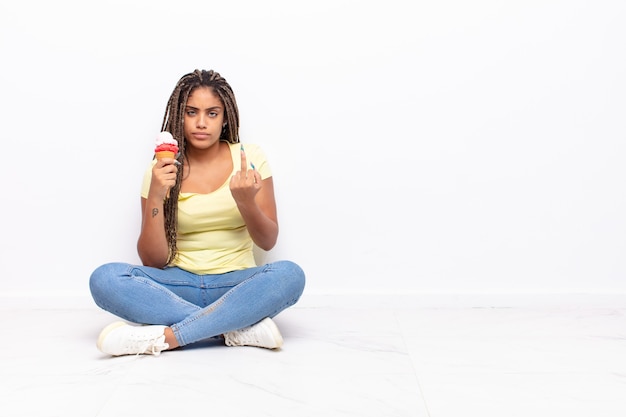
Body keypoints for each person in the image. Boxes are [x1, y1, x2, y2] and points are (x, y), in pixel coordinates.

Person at [89, 69, 306, 356]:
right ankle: (234, 327)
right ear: (180, 115)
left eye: (212, 113)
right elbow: (152, 260)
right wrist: (156, 194)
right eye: (192, 112)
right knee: (104, 279)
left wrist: (245, 202)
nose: (201, 123)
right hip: (179, 284)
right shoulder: (160, 171)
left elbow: (267, 241)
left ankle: (168, 338)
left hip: (236, 284)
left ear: (225, 117)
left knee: (290, 275)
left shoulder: (249, 158)